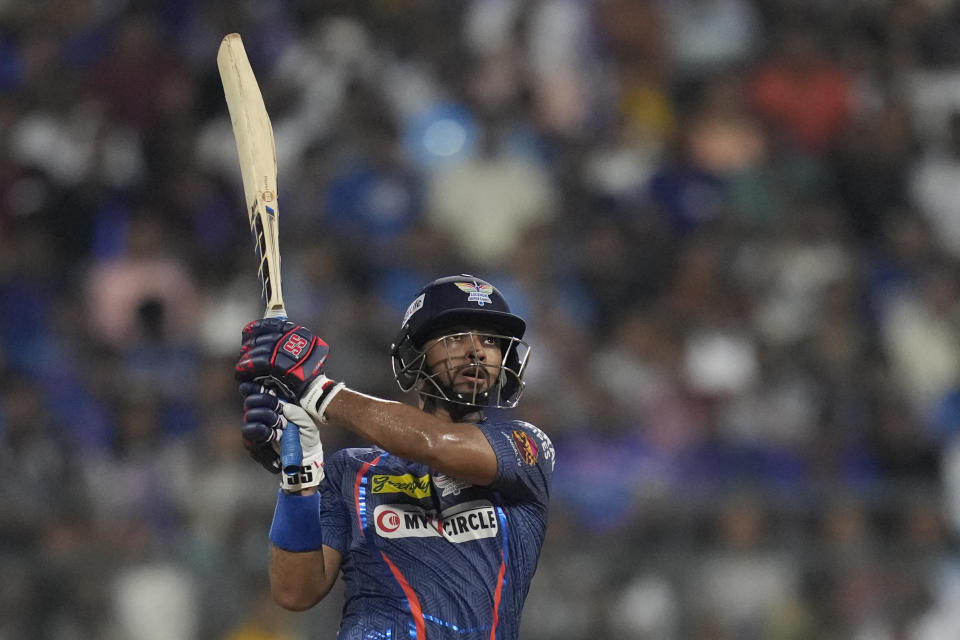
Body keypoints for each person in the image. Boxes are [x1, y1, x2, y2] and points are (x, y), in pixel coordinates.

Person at [235, 274, 554, 640]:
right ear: (413, 356)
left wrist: (315, 391)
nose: (476, 350)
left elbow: (436, 444)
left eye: (490, 340)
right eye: (454, 338)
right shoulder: (349, 470)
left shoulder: (526, 448)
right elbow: (294, 592)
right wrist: (300, 475)